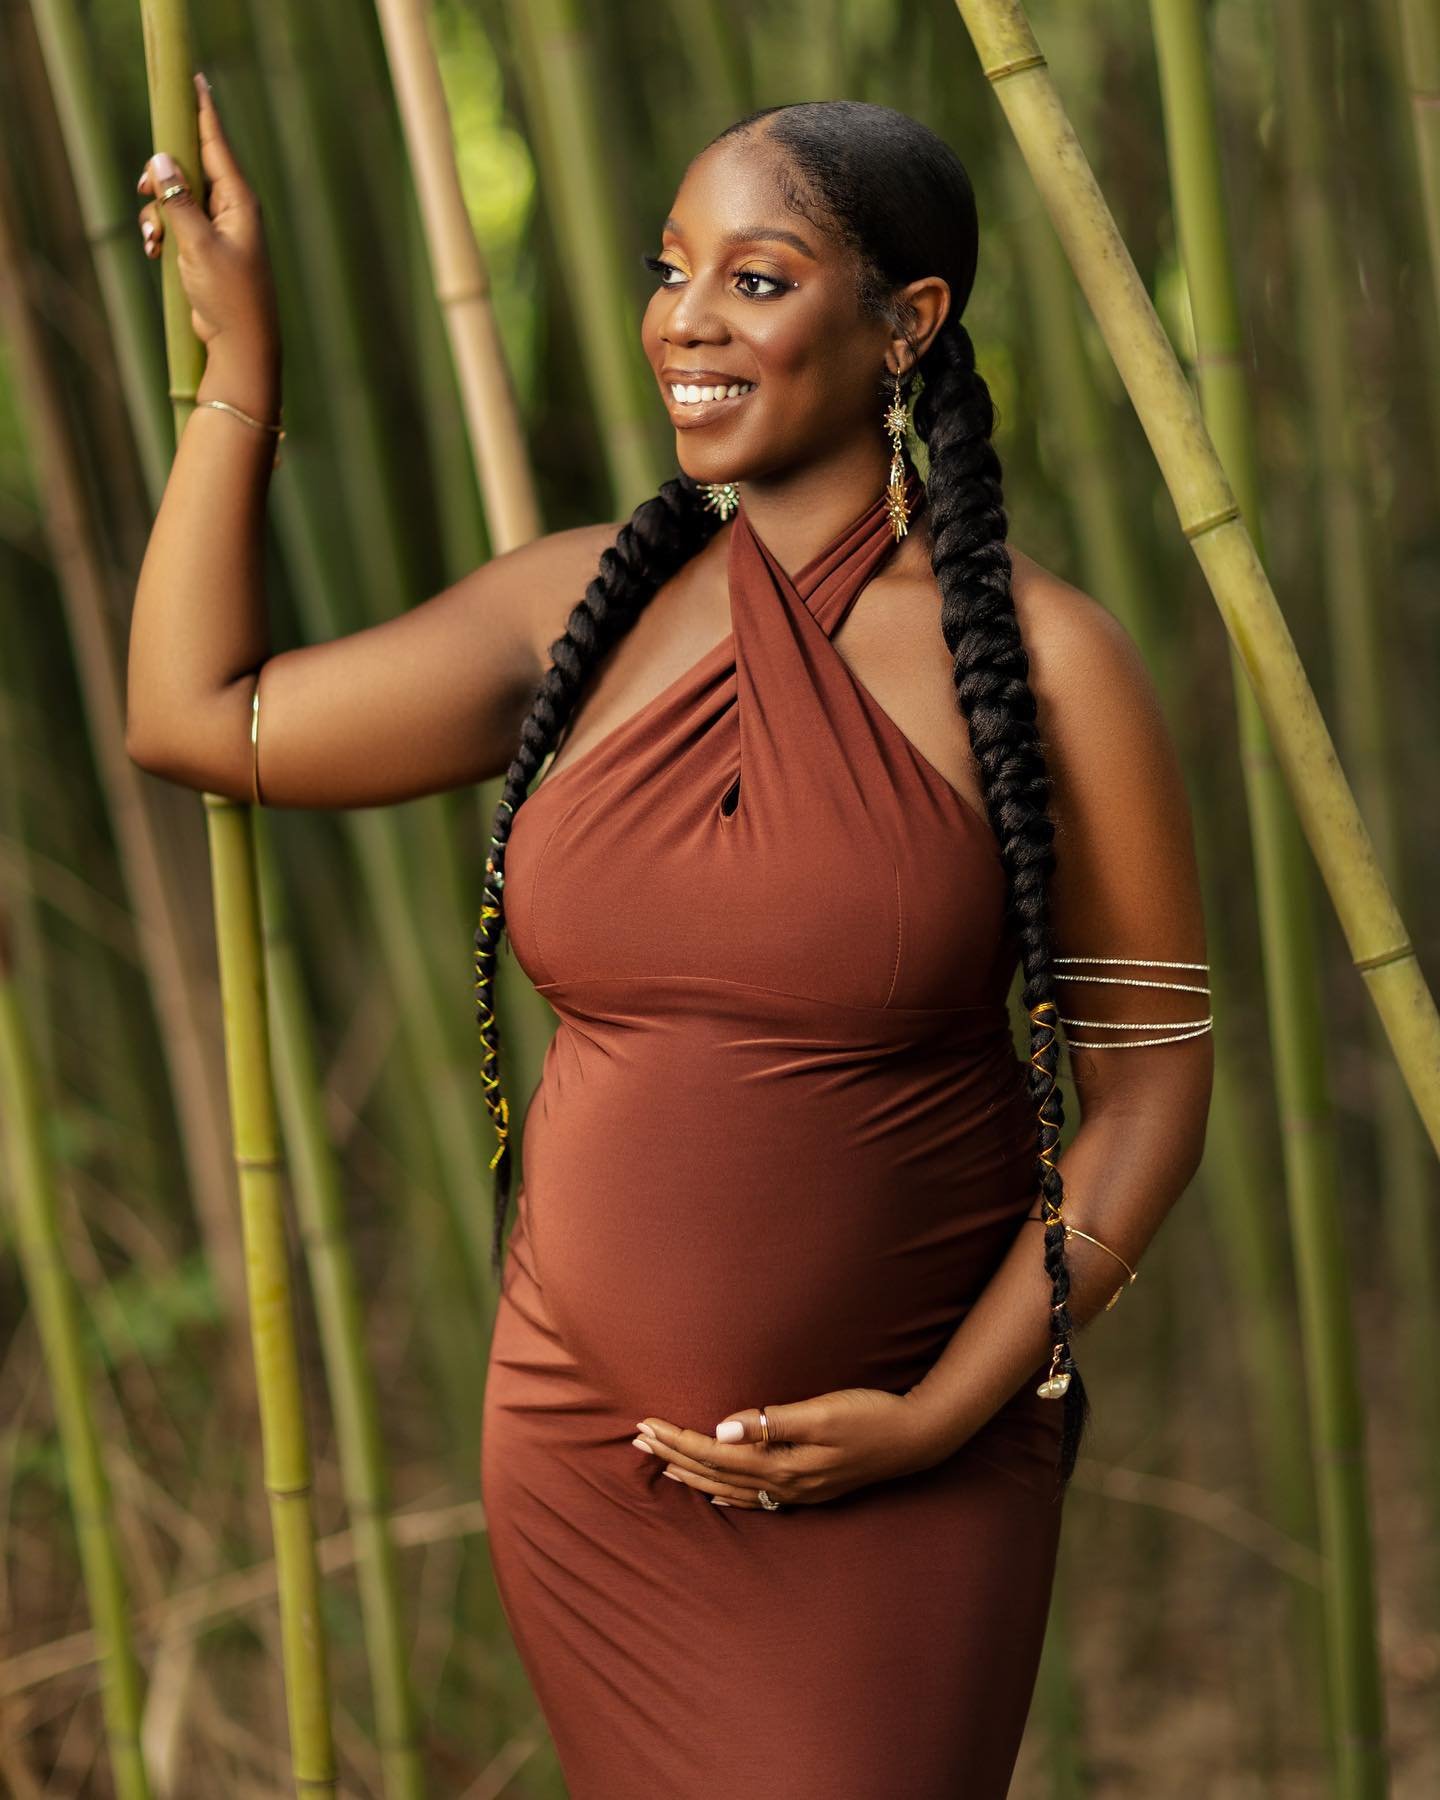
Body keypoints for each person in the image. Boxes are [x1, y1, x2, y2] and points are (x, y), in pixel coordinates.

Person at [128, 79, 1212, 1800]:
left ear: (905, 324)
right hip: (580, 1452)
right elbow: (203, 721)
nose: (685, 322)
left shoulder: (1046, 661)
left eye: (757, 280)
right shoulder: (577, 609)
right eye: (666, 269)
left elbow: (1152, 1106)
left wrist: (941, 1417)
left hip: (916, 1455)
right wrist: (241, 373)